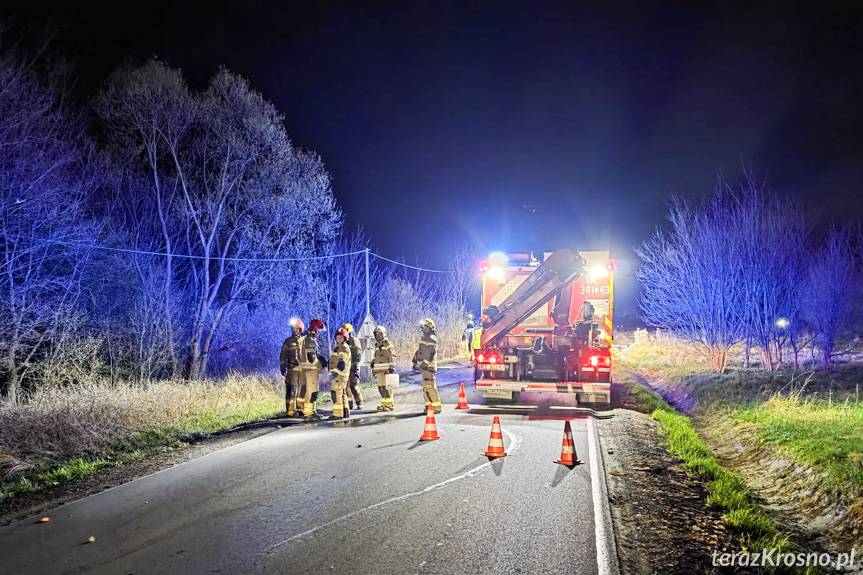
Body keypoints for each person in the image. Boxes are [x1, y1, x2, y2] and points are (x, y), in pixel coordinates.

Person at [300, 318, 326, 420]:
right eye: (319, 331)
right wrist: (321, 366)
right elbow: (311, 357)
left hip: (310, 370)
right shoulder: (310, 340)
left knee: (313, 391)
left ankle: (312, 411)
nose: (319, 333)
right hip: (310, 370)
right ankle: (308, 413)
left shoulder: (309, 339)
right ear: (315, 330)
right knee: (311, 392)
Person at [413, 318, 441, 414]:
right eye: (423, 327)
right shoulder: (423, 338)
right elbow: (420, 351)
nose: (423, 329)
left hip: (429, 367)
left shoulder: (432, 338)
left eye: (425, 327)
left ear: (430, 328)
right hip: (424, 367)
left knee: (430, 387)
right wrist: (415, 360)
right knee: (426, 387)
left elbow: (432, 353)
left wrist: (425, 363)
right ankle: (429, 406)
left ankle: (436, 407)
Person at [279, 318, 305, 416]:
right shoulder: (288, 342)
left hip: (303, 370)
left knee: (302, 391)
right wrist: (282, 366)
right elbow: (282, 355)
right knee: (291, 390)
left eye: (296, 328)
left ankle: (302, 409)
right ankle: (290, 411)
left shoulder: (305, 340)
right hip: (292, 370)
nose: (294, 330)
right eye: (293, 328)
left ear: (300, 329)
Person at [371, 325, 397, 411]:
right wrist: (373, 362)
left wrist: (392, 367)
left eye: (380, 334)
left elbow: (392, 355)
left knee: (387, 388)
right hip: (379, 370)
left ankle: (389, 405)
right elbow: (377, 357)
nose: (378, 335)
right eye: (376, 334)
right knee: (381, 388)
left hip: (386, 370)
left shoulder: (388, 344)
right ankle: (385, 404)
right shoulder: (377, 345)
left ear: (384, 334)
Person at [328, 327, 352, 420]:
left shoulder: (343, 348)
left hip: (339, 375)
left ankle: (337, 414)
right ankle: (345, 412)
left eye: (341, 337)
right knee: (342, 394)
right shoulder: (339, 348)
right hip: (342, 375)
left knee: (336, 393)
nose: (339, 339)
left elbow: (342, 363)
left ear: (345, 338)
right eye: (338, 337)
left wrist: (334, 373)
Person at [341, 323, 365, 410]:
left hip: (353, 366)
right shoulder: (344, 341)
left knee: (354, 385)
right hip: (346, 367)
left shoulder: (354, 340)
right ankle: (349, 404)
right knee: (346, 386)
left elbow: (358, 354)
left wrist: (355, 366)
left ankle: (360, 402)